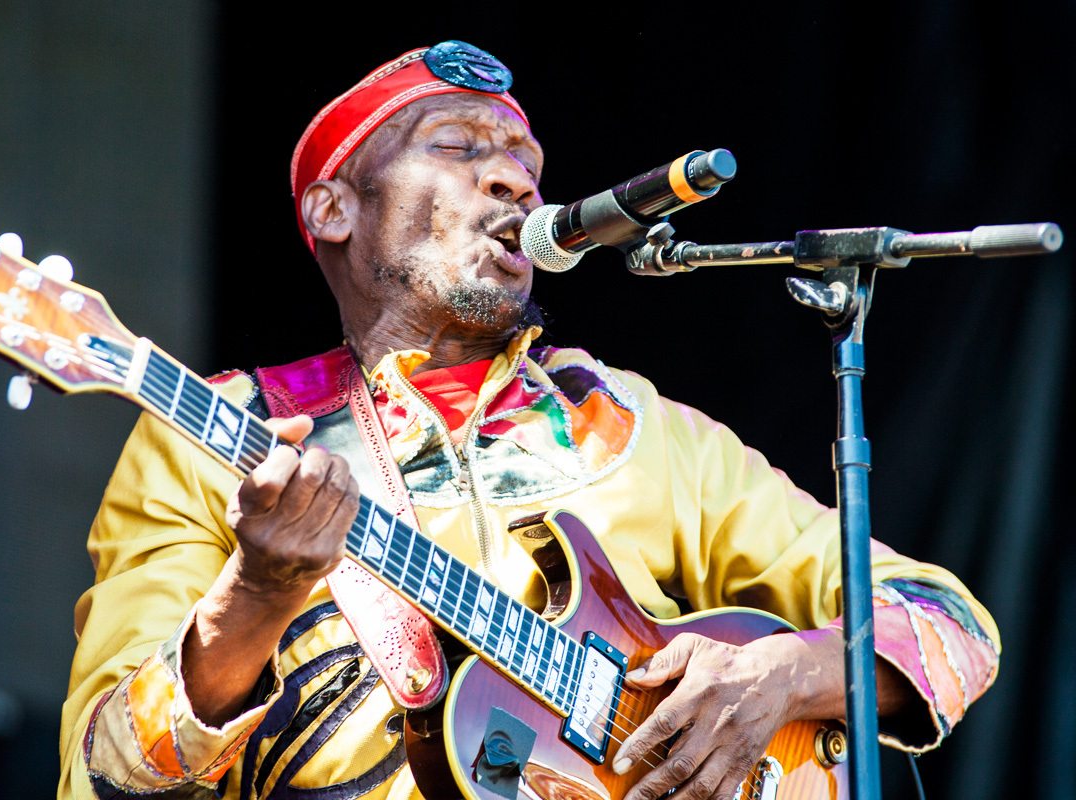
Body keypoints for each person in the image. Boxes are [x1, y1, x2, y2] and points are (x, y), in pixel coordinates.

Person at [59, 41, 1000, 800]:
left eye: (524, 161)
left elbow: (949, 622)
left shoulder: (634, 426)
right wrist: (259, 593)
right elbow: (105, 775)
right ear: (334, 208)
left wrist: (786, 676)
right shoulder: (216, 434)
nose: (513, 178)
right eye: (457, 146)